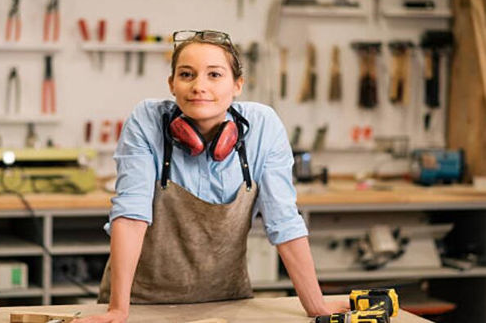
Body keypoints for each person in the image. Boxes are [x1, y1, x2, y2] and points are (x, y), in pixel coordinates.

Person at [77, 30, 349, 323]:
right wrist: (119, 310)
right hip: (140, 303)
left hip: (228, 304)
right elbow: (130, 217)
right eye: (186, 74)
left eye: (215, 75)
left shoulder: (263, 127)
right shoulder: (147, 121)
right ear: (172, 84)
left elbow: (283, 221)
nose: (199, 86)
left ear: (238, 85)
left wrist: (316, 306)